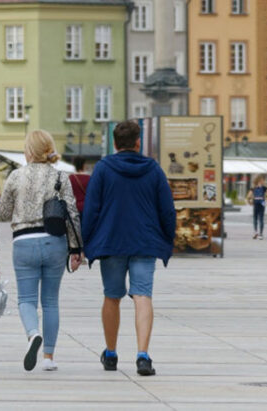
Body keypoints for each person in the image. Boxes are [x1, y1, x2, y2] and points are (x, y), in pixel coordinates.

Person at [82, 120, 175, 378]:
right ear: (138, 142)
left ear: (114, 143)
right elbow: (167, 209)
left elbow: (91, 209)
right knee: (143, 295)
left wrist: (84, 243)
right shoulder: (153, 170)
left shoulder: (102, 169)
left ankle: (111, 353)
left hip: (111, 242)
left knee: (112, 296)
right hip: (144, 242)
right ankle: (142, 355)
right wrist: (168, 238)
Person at [0, 130, 82, 372]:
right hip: (54, 241)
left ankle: (33, 334)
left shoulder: (15, 176)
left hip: (23, 242)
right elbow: (72, 214)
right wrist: (77, 249)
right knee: (51, 301)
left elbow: (2, 214)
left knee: (26, 299)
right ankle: (48, 358)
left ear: (29, 151)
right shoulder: (60, 177)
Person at [246, 174, 267, 239]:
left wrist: (250, 202)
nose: (264, 181)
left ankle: (255, 232)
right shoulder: (264, 188)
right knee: (261, 219)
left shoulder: (253, 188)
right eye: (263, 180)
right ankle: (261, 234)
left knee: (255, 218)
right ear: (260, 180)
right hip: (262, 203)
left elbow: (248, 196)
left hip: (255, 203)